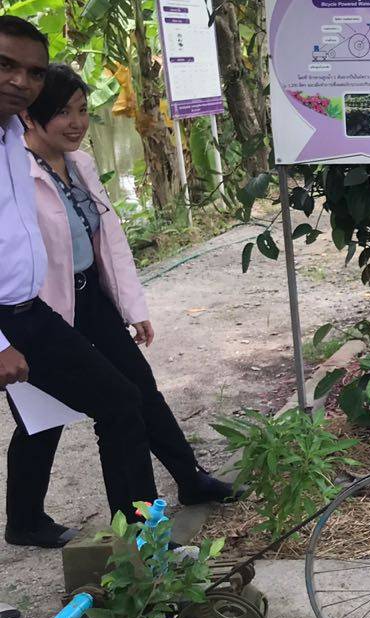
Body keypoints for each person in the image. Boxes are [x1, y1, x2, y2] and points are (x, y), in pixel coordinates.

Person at [4, 61, 239, 549]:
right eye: (62, 113)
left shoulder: (81, 164)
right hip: (42, 308)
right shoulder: (17, 173)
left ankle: (188, 478)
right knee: (47, 415)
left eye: (82, 111)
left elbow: (109, 240)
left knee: (139, 391)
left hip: (92, 298)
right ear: (30, 118)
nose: (76, 122)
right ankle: (44, 521)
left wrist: (133, 307)